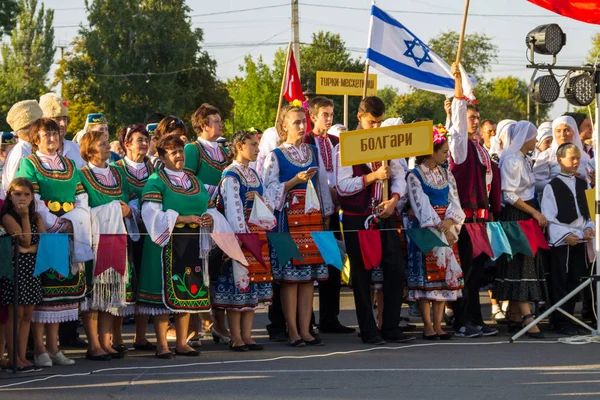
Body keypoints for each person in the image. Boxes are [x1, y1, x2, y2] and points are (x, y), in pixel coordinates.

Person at [336, 96, 412, 345]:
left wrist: (394, 199)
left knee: (396, 269)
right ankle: (368, 329)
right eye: (372, 122)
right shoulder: (345, 146)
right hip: (357, 218)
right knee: (361, 274)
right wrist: (372, 177)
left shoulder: (387, 141)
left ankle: (390, 325)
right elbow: (343, 186)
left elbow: (400, 174)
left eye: (380, 122)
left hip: (385, 215)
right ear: (360, 117)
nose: (377, 128)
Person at [16, 118, 91, 366]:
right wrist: (55, 224)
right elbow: (32, 198)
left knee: (61, 296)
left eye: (55, 134)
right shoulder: (30, 163)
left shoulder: (70, 165)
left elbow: (81, 197)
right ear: (35, 139)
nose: (52, 138)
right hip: (45, 234)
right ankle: (39, 349)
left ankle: (54, 347)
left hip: (69, 234)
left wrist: (72, 221)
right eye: (46, 134)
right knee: (44, 294)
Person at [262, 102, 334, 347]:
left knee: (307, 279)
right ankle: (292, 330)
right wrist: (293, 181)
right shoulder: (276, 156)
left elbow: (322, 184)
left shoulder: (312, 152)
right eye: (296, 122)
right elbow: (268, 191)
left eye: (304, 122)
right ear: (284, 127)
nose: (302, 126)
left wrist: (327, 212)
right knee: (290, 279)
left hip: (311, 219)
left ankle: (306, 329)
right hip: (287, 221)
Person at [138, 134, 215, 359]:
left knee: (188, 291)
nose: (179, 155)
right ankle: (162, 344)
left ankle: (182, 342)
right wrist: (182, 218)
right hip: (166, 245)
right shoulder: (156, 181)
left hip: (193, 244)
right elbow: (150, 214)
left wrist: (210, 217)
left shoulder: (194, 180)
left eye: (181, 151)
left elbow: (208, 206)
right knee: (164, 297)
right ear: (162, 156)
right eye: (173, 152)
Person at [448, 63, 501, 338]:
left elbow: (488, 184)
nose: (476, 121)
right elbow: (456, 122)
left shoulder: (480, 148)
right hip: (464, 220)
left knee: (476, 275)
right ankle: (461, 321)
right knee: (465, 273)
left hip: (481, 219)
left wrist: (491, 211)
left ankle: (476, 320)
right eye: (471, 117)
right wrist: (458, 84)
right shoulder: (459, 146)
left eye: (477, 117)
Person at [78, 130, 138, 360]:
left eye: (106, 143)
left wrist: (127, 209)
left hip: (117, 237)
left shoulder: (117, 172)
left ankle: (106, 342)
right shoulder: (82, 175)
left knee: (111, 293)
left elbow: (130, 197)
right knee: (94, 294)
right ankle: (93, 344)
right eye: (102, 144)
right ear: (89, 149)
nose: (107, 147)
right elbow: (82, 208)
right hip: (95, 240)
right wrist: (112, 209)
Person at [214, 130, 273, 351]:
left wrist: (259, 199)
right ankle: (236, 337)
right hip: (240, 239)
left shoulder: (253, 174)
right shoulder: (231, 175)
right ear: (239, 146)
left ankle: (247, 336)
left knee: (252, 287)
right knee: (237, 287)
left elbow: (266, 202)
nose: (257, 149)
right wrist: (240, 238)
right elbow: (232, 210)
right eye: (252, 145)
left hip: (256, 236)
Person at [406, 125, 465, 340]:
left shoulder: (446, 173)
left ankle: (439, 325)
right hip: (426, 230)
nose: (446, 155)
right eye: (443, 151)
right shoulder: (414, 176)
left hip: (446, 228)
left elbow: (455, 201)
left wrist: (450, 222)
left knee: (441, 279)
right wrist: (439, 225)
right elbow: (419, 204)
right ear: (431, 151)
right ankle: (427, 325)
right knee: (426, 278)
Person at [303, 96, 354, 334]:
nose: (329, 118)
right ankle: (306, 320)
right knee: (311, 263)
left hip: (336, 209)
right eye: (325, 114)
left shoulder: (336, 141)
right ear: (312, 116)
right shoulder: (306, 140)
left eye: (331, 114)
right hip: (313, 209)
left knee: (334, 262)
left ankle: (330, 317)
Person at [494, 121, 547, 338]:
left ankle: (516, 314)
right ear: (525, 138)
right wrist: (534, 212)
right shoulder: (513, 160)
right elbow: (509, 194)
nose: (536, 140)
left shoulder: (523, 159)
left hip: (525, 214)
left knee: (524, 262)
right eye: (533, 137)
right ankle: (527, 317)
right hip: (516, 216)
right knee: (521, 264)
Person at [184, 104, 231, 344]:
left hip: (220, 219)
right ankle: (195, 327)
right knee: (196, 273)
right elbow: (186, 182)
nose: (221, 124)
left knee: (218, 273)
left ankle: (218, 325)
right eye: (216, 121)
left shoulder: (223, 152)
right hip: (200, 220)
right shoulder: (193, 150)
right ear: (203, 126)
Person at [541, 143, 595, 336]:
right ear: (559, 160)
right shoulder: (551, 186)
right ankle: (559, 320)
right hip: (563, 239)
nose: (575, 162)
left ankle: (570, 317)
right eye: (571, 158)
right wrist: (565, 236)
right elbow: (549, 218)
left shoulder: (584, 183)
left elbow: (590, 213)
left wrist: (588, 228)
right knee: (559, 279)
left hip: (580, 238)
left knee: (576, 279)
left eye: (577, 158)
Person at [111, 124, 157, 351]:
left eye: (146, 139)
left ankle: (140, 337)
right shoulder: (116, 168)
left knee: (144, 283)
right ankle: (117, 338)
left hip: (148, 232)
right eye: (140, 139)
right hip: (124, 233)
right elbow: (118, 199)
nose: (144, 143)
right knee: (124, 284)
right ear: (127, 143)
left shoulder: (153, 168)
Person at [0, 178, 45, 372]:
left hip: (32, 269)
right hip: (15, 270)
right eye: (18, 194)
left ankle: (22, 356)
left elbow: (43, 243)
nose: (22, 198)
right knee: (15, 314)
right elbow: (25, 240)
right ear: (10, 196)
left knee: (27, 314)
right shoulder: (8, 217)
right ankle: (13, 358)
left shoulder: (38, 217)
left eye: (27, 194)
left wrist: (27, 250)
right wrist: (24, 218)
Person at [533, 116, 591, 197]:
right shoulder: (546, 156)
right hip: (555, 201)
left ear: (574, 131)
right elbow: (536, 185)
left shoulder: (585, 157)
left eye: (567, 130)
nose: (562, 135)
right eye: (558, 131)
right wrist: (561, 180)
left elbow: (590, 184)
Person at [2, 100, 43, 199]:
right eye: (40, 126)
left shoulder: (30, 149)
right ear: (30, 128)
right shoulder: (21, 152)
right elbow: (16, 190)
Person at [39, 93, 85, 169]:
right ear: (44, 121)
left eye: (65, 118)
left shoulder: (77, 149)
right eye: (57, 119)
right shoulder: (34, 151)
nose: (63, 124)